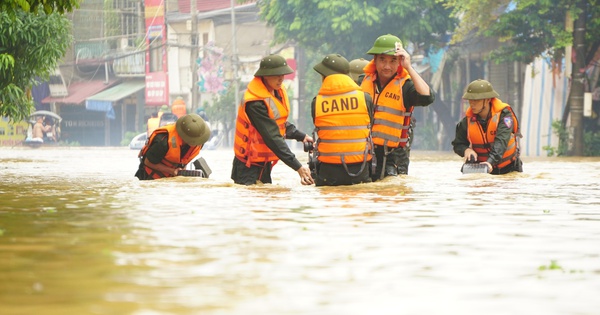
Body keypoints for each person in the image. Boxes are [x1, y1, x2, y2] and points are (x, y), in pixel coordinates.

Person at [231, 54, 314, 185]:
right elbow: (272, 136)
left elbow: (280, 124)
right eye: (276, 75)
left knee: (268, 198)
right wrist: (298, 167)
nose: (281, 79)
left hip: (264, 164)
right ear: (265, 75)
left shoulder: (277, 92)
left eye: (283, 74)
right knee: (253, 201)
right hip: (248, 166)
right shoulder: (255, 102)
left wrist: (301, 136)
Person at [361, 34, 435, 179]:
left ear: (400, 62)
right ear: (375, 60)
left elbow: (427, 97)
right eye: (382, 60)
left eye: (393, 61)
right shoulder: (362, 81)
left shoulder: (406, 86)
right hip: (364, 153)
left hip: (393, 157)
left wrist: (409, 67)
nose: (387, 66)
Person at [309, 53, 375, 186]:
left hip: (328, 172)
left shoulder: (317, 102)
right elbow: (369, 127)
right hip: (360, 170)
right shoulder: (365, 98)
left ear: (324, 76)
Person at [451, 79, 523, 174]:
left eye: (476, 100)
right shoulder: (466, 122)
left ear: (488, 100)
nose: (472, 104)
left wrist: (490, 162)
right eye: (470, 100)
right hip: (483, 170)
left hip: (509, 169)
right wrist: (466, 150)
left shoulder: (504, 116)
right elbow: (457, 144)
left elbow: (501, 143)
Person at [135, 113, 210, 180]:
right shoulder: (163, 141)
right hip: (150, 177)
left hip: (172, 179)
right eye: (194, 140)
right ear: (185, 137)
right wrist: (172, 171)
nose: (197, 142)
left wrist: (182, 172)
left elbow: (184, 159)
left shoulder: (199, 142)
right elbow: (148, 162)